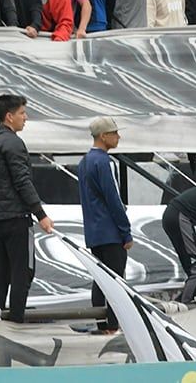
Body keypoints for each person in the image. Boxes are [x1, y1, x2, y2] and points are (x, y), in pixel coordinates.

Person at [0, 94, 54, 323]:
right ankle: (16, 321)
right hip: (16, 216)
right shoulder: (13, 142)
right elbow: (22, 181)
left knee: (2, 270)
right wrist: (41, 214)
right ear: (9, 116)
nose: (26, 117)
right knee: (23, 271)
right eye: (22, 113)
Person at [76, 116, 131, 333]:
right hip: (111, 232)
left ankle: (101, 326)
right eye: (115, 133)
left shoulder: (84, 162)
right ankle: (114, 326)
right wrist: (126, 232)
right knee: (117, 282)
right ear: (103, 136)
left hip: (94, 232)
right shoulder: (105, 162)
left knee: (99, 280)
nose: (119, 137)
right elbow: (113, 198)